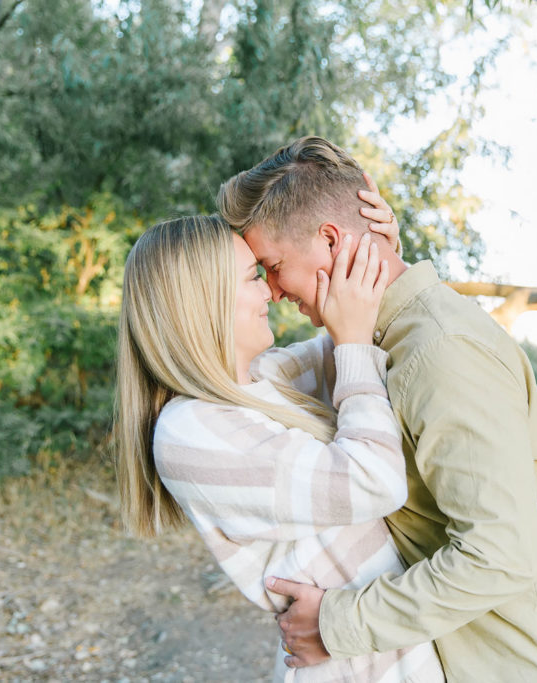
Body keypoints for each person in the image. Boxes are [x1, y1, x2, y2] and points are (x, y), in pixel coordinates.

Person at [218, 136, 537, 681]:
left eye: (273, 266)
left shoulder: (439, 351)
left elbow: (498, 554)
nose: (272, 290)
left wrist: (335, 624)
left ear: (329, 240)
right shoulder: (385, 341)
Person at [113, 207, 445, 682]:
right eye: (253, 276)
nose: (271, 289)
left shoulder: (259, 383)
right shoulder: (190, 432)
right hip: (354, 668)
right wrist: (351, 342)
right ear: (203, 300)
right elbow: (375, 480)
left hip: (382, 650)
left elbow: (363, 333)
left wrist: (375, 256)